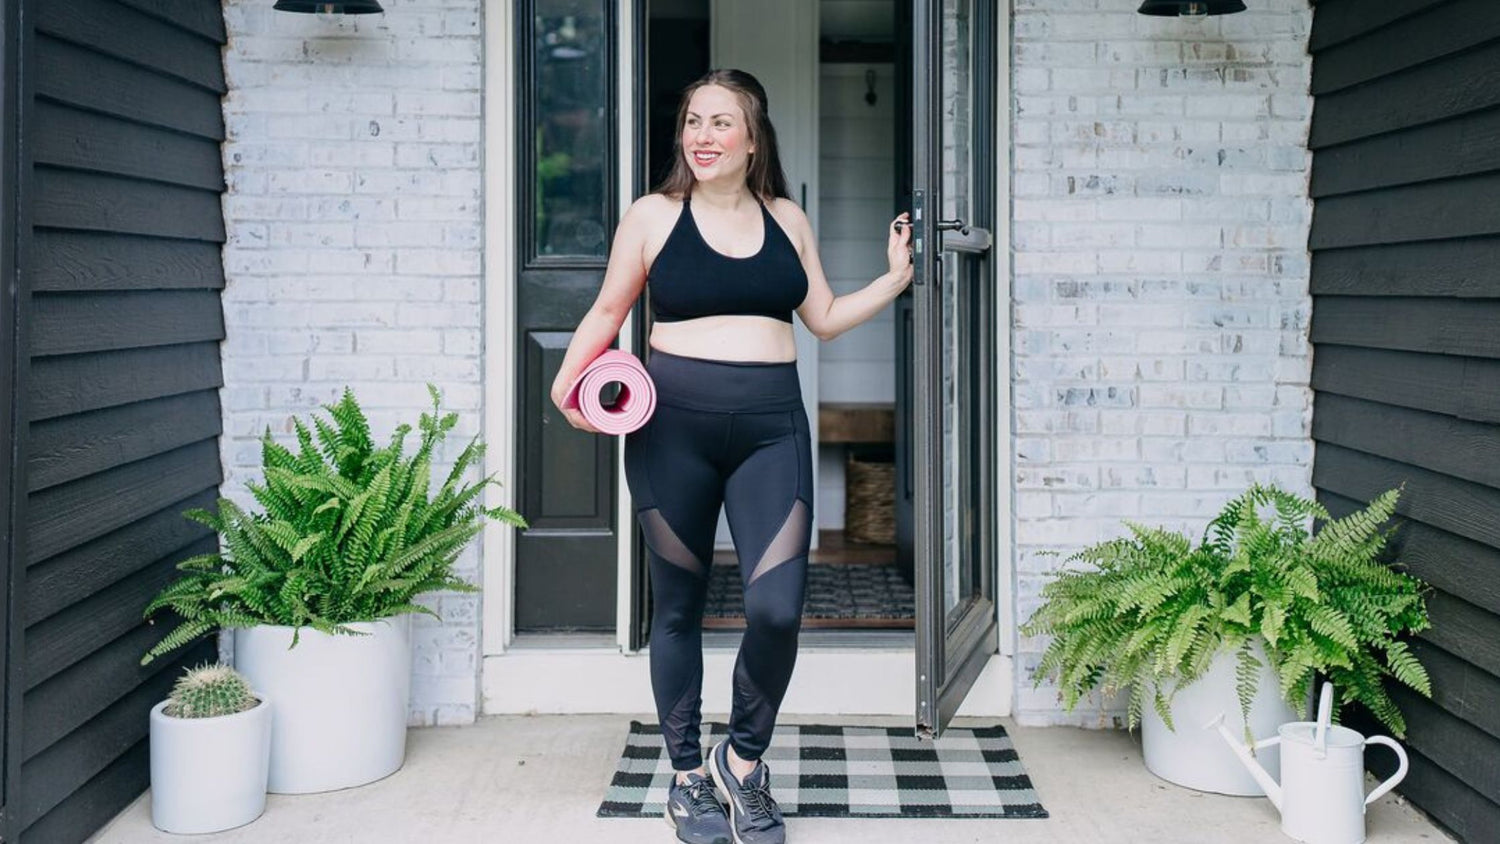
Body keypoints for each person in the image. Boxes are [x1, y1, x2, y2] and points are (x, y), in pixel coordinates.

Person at [550, 68, 913, 844]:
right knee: (677, 607)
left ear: (753, 137)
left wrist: (893, 279)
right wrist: (566, 381)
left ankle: (742, 761)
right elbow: (610, 309)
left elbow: (821, 317)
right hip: (670, 428)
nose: (703, 137)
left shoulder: (788, 218)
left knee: (776, 610)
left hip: (770, 428)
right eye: (692, 121)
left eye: (721, 123)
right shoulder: (653, 216)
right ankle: (686, 776)